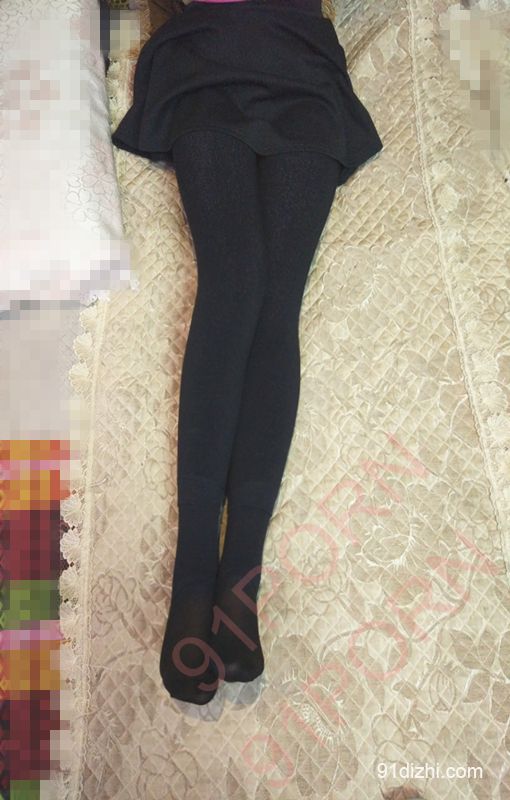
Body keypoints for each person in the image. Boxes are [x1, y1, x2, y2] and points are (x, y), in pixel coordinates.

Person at [111, 0, 383, 705]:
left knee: (275, 298)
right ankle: (194, 577)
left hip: (302, 66)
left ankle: (240, 582)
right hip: (205, 57)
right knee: (235, 280)